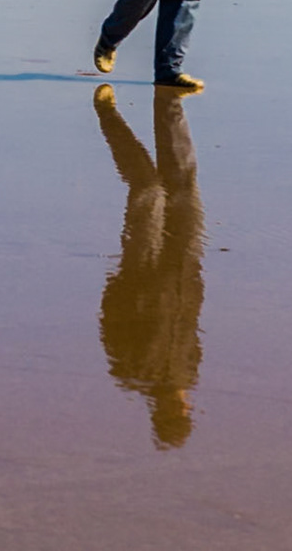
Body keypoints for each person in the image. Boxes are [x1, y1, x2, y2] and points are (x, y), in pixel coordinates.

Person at [95, 84, 205, 450]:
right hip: (172, 270)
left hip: (147, 274)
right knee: (159, 187)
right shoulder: (187, 373)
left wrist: (120, 284)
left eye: (182, 412)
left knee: (157, 187)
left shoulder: (131, 371)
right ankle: (113, 115)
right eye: (186, 411)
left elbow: (110, 323)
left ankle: (110, 115)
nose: (187, 404)